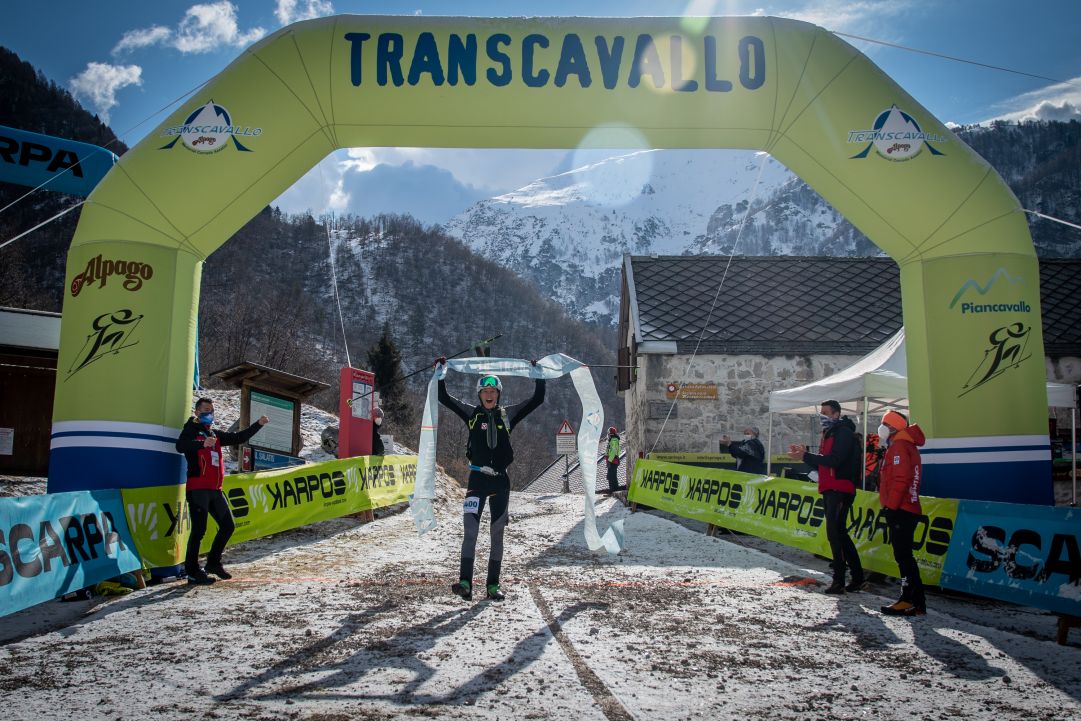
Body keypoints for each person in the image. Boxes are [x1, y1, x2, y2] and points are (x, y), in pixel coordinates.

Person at [437, 363, 545, 602]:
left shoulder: (508, 415)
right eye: (485, 392)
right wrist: (441, 372)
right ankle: (465, 582)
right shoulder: (472, 415)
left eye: (493, 392)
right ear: (479, 395)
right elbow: (443, 397)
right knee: (471, 532)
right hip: (476, 480)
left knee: (497, 535)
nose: (489, 395)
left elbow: (537, 399)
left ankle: (493, 586)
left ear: (498, 395)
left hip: (500, 484)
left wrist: (538, 374)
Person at [176, 397, 268, 585]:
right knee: (199, 530)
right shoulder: (191, 430)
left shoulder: (214, 434)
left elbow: (238, 438)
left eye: (211, 411)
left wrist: (258, 424)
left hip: (214, 489)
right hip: (198, 488)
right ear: (197, 412)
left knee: (228, 526)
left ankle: (213, 563)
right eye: (205, 410)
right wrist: (201, 444)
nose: (209, 414)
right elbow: (180, 446)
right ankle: (192, 571)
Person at [788, 400, 864, 594]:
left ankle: (839, 579)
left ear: (836, 414)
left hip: (840, 488)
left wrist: (806, 456)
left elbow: (835, 461)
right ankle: (857, 577)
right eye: (821, 412)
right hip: (830, 487)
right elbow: (824, 463)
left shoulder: (844, 433)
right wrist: (805, 456)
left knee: (835, 533)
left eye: (826, 412)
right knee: (839, 533)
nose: (822, 416)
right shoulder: (829, 433)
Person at [876, 410, 928, 617]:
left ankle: (909, 600)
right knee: (905, 556)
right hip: (907, 507)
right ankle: (916, 603)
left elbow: (901, 479)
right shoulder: (905, 445)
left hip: (902, 509)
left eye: (884, 424)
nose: (881, 428)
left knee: (904, 557)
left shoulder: (899, 446)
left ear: (893, 427)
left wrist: (891, 506)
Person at [604, 426, 621, 492]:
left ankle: (614, 490)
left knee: (612, 476)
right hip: (612, 461)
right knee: (611, 476)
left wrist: (609, 460)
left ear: (610, 434)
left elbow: (613, 451)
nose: (608, 435)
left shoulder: (614, 440)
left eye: (608, 434)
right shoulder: (613, 440)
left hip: (613, 461)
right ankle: (613, 490)